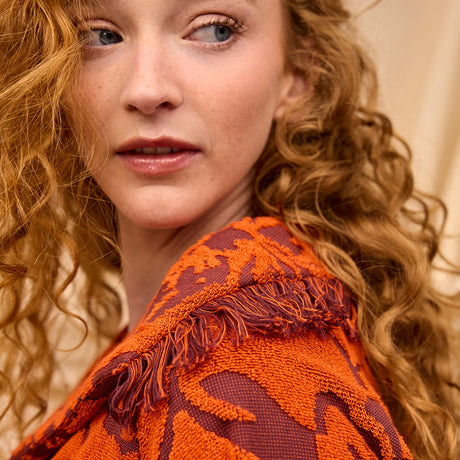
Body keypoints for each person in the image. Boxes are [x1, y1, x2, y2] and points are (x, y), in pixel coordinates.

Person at [1, 0, 458, 458]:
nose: (146, 89)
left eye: (214, 30)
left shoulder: (250, 394)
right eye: (99, 35)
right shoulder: (188, 347)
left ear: (299, 71)